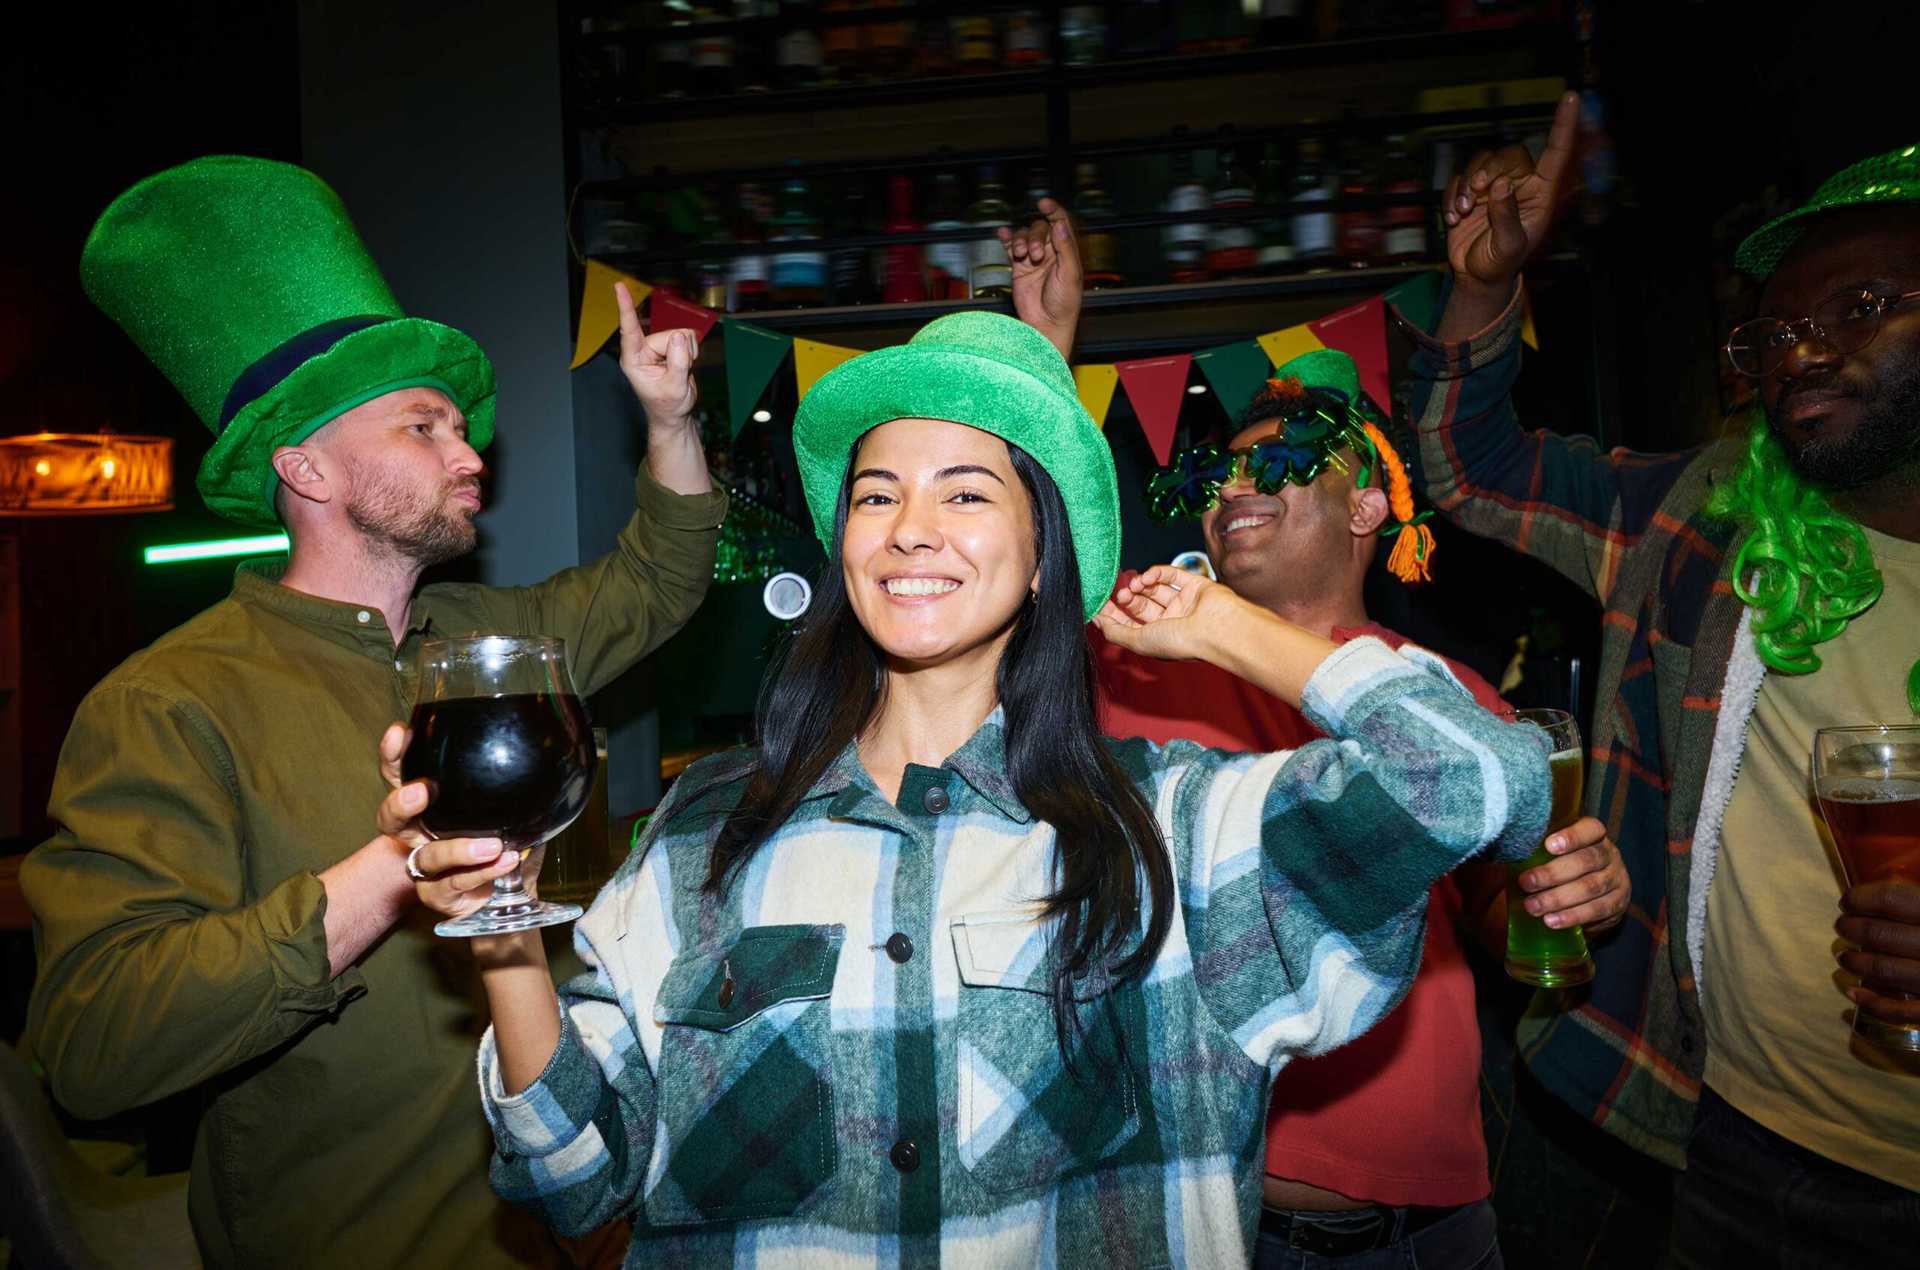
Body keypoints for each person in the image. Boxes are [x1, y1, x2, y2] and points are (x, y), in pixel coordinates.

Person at [398, 307, 1554, 1266]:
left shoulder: (1178, 833)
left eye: (964, 492)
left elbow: (1474, 779)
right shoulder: (702, 836)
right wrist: (501, 934)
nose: (910, 530)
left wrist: (1230, 626)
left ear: (1043, 550)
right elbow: (575, 1177)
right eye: (876, 494)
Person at [21, 157, 725, 1269]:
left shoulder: (494, 642)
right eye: (423, 426)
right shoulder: (170, 699)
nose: (468, 451)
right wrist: (395, 862)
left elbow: (660, 578)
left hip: (560, 1234)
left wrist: (671, 421)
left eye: (461, 426)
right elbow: (96, 1044)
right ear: (305, 464)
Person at [1411, 95, 1920, 1261]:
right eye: (1772, 332)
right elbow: (1470, 466)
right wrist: (1490, 287)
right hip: (1737, 1145)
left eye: (1863, 308)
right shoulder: (1703, 519)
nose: (1803, 352)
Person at [1089, 351, 1630, 1269]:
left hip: (1430, 1230)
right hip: (1203, 1224)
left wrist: (1570, 896)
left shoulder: (1442, 696)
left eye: (1286, 463)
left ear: (1368, 509)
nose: (1236, 486)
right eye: (1221, 472)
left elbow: (1498, 918)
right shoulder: (1124, 668)